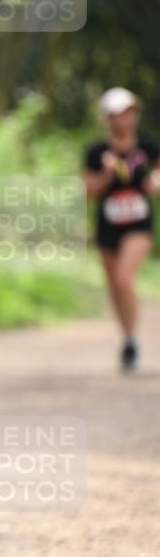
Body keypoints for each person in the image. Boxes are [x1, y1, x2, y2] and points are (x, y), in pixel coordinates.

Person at [83, 87, 160, 371]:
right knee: (115, 285)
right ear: (108, 118)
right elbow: (87, 192)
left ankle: (130, 338)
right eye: (118, 115)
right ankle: (129, 339)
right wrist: (106, 175)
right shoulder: (96, 152)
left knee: (124, 278)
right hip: (108, 227)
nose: (124, 120)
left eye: (129, 113)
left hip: (139, 225)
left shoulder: (149, 147)